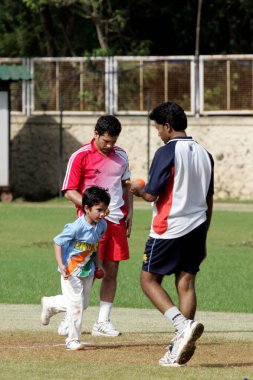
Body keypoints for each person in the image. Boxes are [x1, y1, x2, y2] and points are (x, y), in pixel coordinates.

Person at [128, 101, 214, 367]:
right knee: (186, 284)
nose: (158, 133)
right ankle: (178, 350)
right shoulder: (205, 153)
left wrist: (137, 190)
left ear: (167, 126)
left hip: (169, 228)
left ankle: (182, 327)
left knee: (148, 279)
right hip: (198, 227)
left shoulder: (166, 152)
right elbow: (209, 199)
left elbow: (152, 193)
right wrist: (205, 236)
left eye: (158, 128)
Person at [59, 115, 133, 337]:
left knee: (111, 271)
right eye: (106, 141)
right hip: (89, 225)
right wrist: (91, 208)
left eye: (113, 141)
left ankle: (102, 322)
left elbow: (126, 186)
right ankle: (69, 317)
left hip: (117, 221)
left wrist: (130, 214)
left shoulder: (121, 156)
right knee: (83, 273)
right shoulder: (80, 156)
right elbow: (69, 190)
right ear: (96, 134)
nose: (110, 146)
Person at [40, 186, 110, 350]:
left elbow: (96, 246)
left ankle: (50, 303)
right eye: (99, 209)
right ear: (86, 208)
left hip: (88, 271)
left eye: (104, 210)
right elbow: (58, 242)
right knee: (76, 305)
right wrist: (61, 265)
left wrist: (98, 265)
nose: (102, 214)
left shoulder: (102, 226)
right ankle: (72, 340)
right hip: (71, 271)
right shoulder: (75, 227)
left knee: (83, 304)